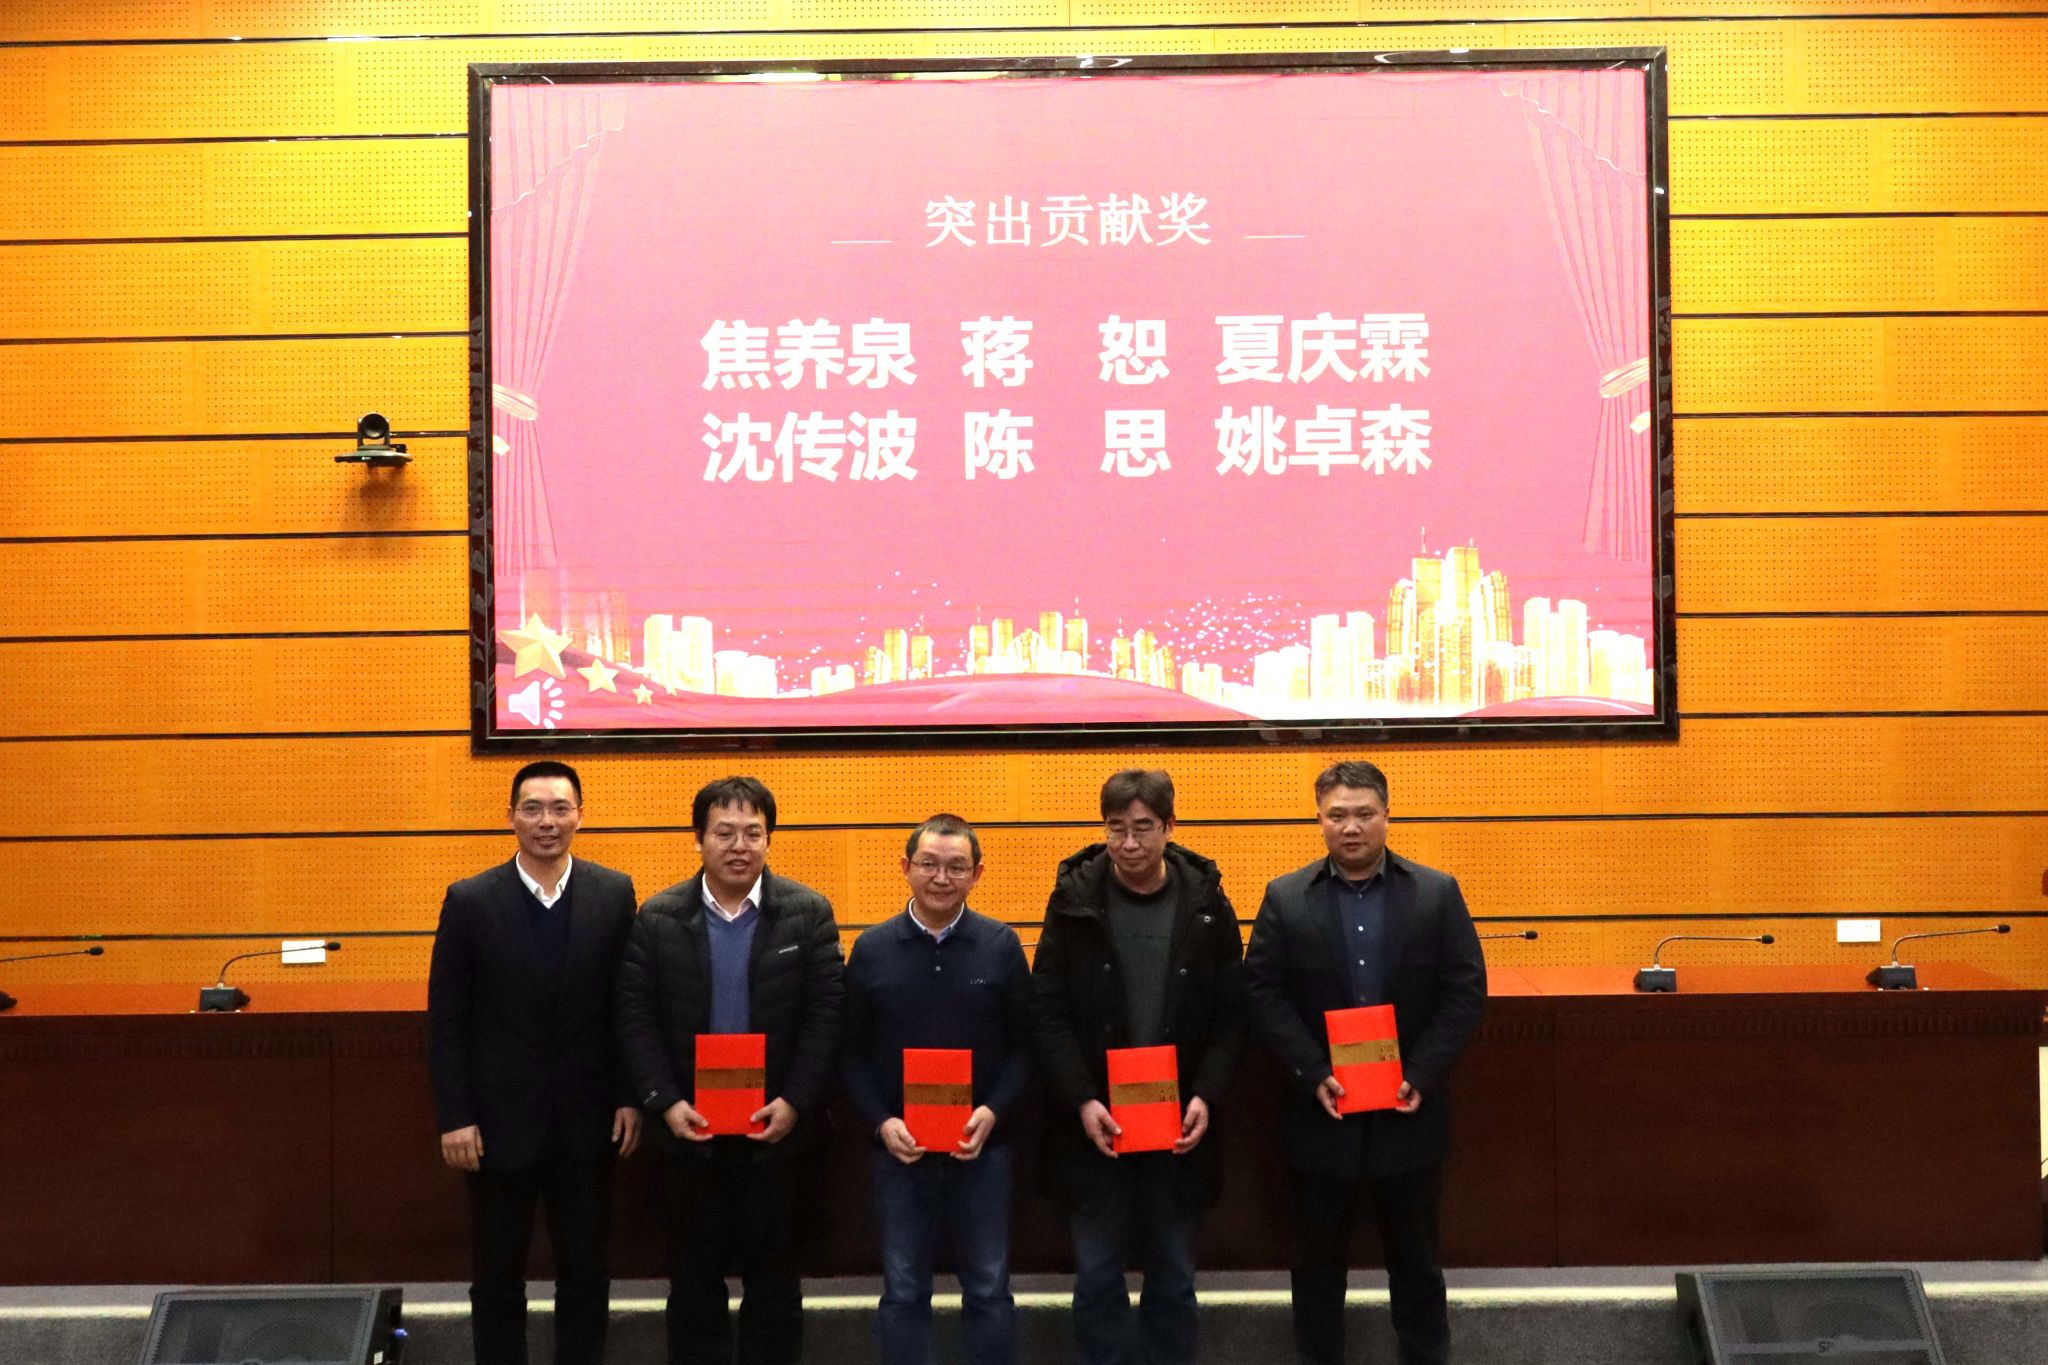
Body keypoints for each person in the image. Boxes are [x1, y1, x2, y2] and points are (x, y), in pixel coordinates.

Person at [1242, 760, 1486, 1365]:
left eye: (1363, 814)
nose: (1350, 827)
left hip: (1409, 1113)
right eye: (1337, 815)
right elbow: (1263, 995)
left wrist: (1421, 1074)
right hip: (1320, 1115)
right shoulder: (1285, 897)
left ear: (1386, 816)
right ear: (1319, 820)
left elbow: (1464, 992)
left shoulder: (1435, 893)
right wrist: (1311, 1073)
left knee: (1417, 1265)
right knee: (1316, 1268)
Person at [615, 776, 845, 1365]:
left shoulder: (809, 913)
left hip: (778, 1134)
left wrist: (794, 1102)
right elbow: (635, 1017)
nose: (739, 846)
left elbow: (826, 1017)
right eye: (724, 833)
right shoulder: (658, 917)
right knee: (693, 1283)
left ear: (769, 839)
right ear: (699, 839)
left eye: (752, 833)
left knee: (775, 1282)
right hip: (688, 1134)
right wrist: (666, 1102)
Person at [427, 759, 642, 1365]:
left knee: (586, 1273)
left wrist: (629, 1096)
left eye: (559, 808)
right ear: (511, 817)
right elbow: (448, 1021)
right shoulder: (470, 900)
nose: (547, 821)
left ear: (580, 816)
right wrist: (456, 1116)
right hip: (498, 1126)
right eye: (533, 809)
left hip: (589, 1121)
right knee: (497, 1275)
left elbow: (628, 1007)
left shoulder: (613, 893)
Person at [1032, 768, 1246, 1365]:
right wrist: (1082, 1099)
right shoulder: (1072, 901)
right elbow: (1047, 1010)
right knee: (1098, 1275)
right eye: (1116, 828)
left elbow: (1233, 1014)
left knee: (1173, 1275)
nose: (1128, 843)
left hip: (1179, 1128)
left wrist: (1206, 1094)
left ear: (1170, 827)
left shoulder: (1207, 904)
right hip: (1095, 1128)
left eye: (1143, 828)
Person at [840, 813, 1034, 1365]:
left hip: (984, 1149)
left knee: (990, 1287)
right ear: (905, 867)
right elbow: (850, 1055)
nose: (941, 878)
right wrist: (882, 1123)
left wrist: (993, 1112)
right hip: (899, 1151)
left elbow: (1026, 1049)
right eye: (928, 864)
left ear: (977, 874)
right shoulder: (872, 948)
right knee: (903, 1290)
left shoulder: (1001, 945)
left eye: (956, 867)